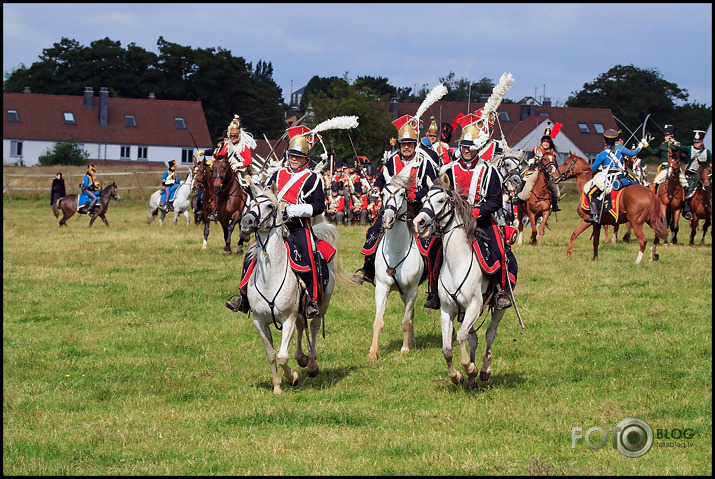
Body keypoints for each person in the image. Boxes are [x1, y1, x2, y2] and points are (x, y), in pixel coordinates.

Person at [226, 125, 327, 319]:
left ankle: (311, 300)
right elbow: (266, 195)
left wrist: (298, 209)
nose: (293, 159)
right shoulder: (278, 174)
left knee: (308, 253)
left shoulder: (313, 178)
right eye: (291, 155)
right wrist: (257, 184)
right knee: (250, 254)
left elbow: (319, 205)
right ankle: (243, 296)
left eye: (298, 156)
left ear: (306, 158)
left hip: (297, 226)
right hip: (272, 225)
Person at [423, 109, 518, 310]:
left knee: (499, 250)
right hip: (453, 221)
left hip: (481, 220)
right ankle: (434, 292)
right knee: (433, 249)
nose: (467, 150)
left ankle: (499, 291)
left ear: (478, 148)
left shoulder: (489, 171)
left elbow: (496, 201)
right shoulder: (449, 168)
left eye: (471, 147)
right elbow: (440, 192)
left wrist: (478, 211)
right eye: (464, 146)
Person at [353, 114, 439, 285]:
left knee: (431, 240)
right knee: (374, 231)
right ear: (399, 145)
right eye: (403, 144)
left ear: (415, 145)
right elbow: (380, 180)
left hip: (417, 208)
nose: (406, 147)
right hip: (394, 205)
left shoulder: (424, 162)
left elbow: (433, 186)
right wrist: (376, 189)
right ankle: (368, 270)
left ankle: (432, 280)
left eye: (409, 144)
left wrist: (418, 195)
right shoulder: (391, 162)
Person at [584, 128, 645, 223]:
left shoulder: (602, 154)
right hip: (621, 177)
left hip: (609, 179)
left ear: (605, 141)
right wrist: (640, 145)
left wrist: (601, 168)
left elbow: (594, 168)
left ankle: (595, 216)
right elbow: (633, 153)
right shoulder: (619, 152)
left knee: (591, 193)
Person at [521, 123, 563, 212]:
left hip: (547, 174)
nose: (546, 143)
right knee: (526, 181)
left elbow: (555, 164)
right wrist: (533, 162)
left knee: (555, 187)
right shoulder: (536, 150)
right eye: (544, 142)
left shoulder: (552, 152)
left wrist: (554, 168)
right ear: (541, 142)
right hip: (535, 171)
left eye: (548, 142)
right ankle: (519, 197)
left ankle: (554, 203)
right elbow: (529, 159)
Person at [672, 129, 712, 219]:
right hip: (692, 175)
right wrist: (675, 143)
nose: (696, 143)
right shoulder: (690, 148)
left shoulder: (706, 151)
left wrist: (710, 166)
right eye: (695, 141)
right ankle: (688, 210)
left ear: (702, 142)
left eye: (698, 142)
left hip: (703, 176)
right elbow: (680, 147)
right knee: (689, 192)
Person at [646, 124, 688, 194]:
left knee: (685, 184)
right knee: (656, 181)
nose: (666, 137)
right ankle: (655, 197)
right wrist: (646, 145)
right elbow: (653, 152)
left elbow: (684, 155)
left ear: (672, 136)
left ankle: (685, 201)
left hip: (675, 169)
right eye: (665, 136)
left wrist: (677, 147)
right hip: (665, 168)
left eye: (668, 136)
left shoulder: (677, 145)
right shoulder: (662, 145)